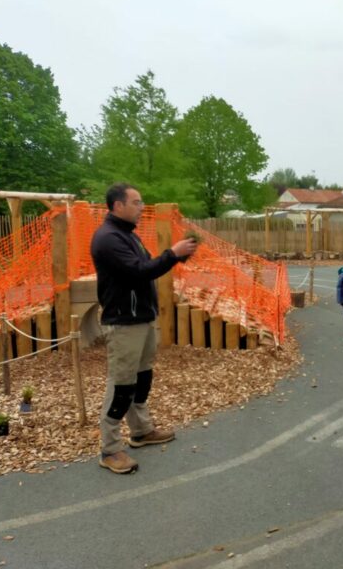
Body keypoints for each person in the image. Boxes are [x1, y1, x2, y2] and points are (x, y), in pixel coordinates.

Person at [91, 183, 198, 474]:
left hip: (141, 318)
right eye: (136, 202)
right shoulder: (108, 238)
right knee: (121, 384)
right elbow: (138, 272)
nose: (141, 207)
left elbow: (148, 267)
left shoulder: (128, 235)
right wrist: (172, 254)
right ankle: (110, 449)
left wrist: (178, 255)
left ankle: (141, 431)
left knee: (142, 378)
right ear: (118, 206)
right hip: (123, 322)